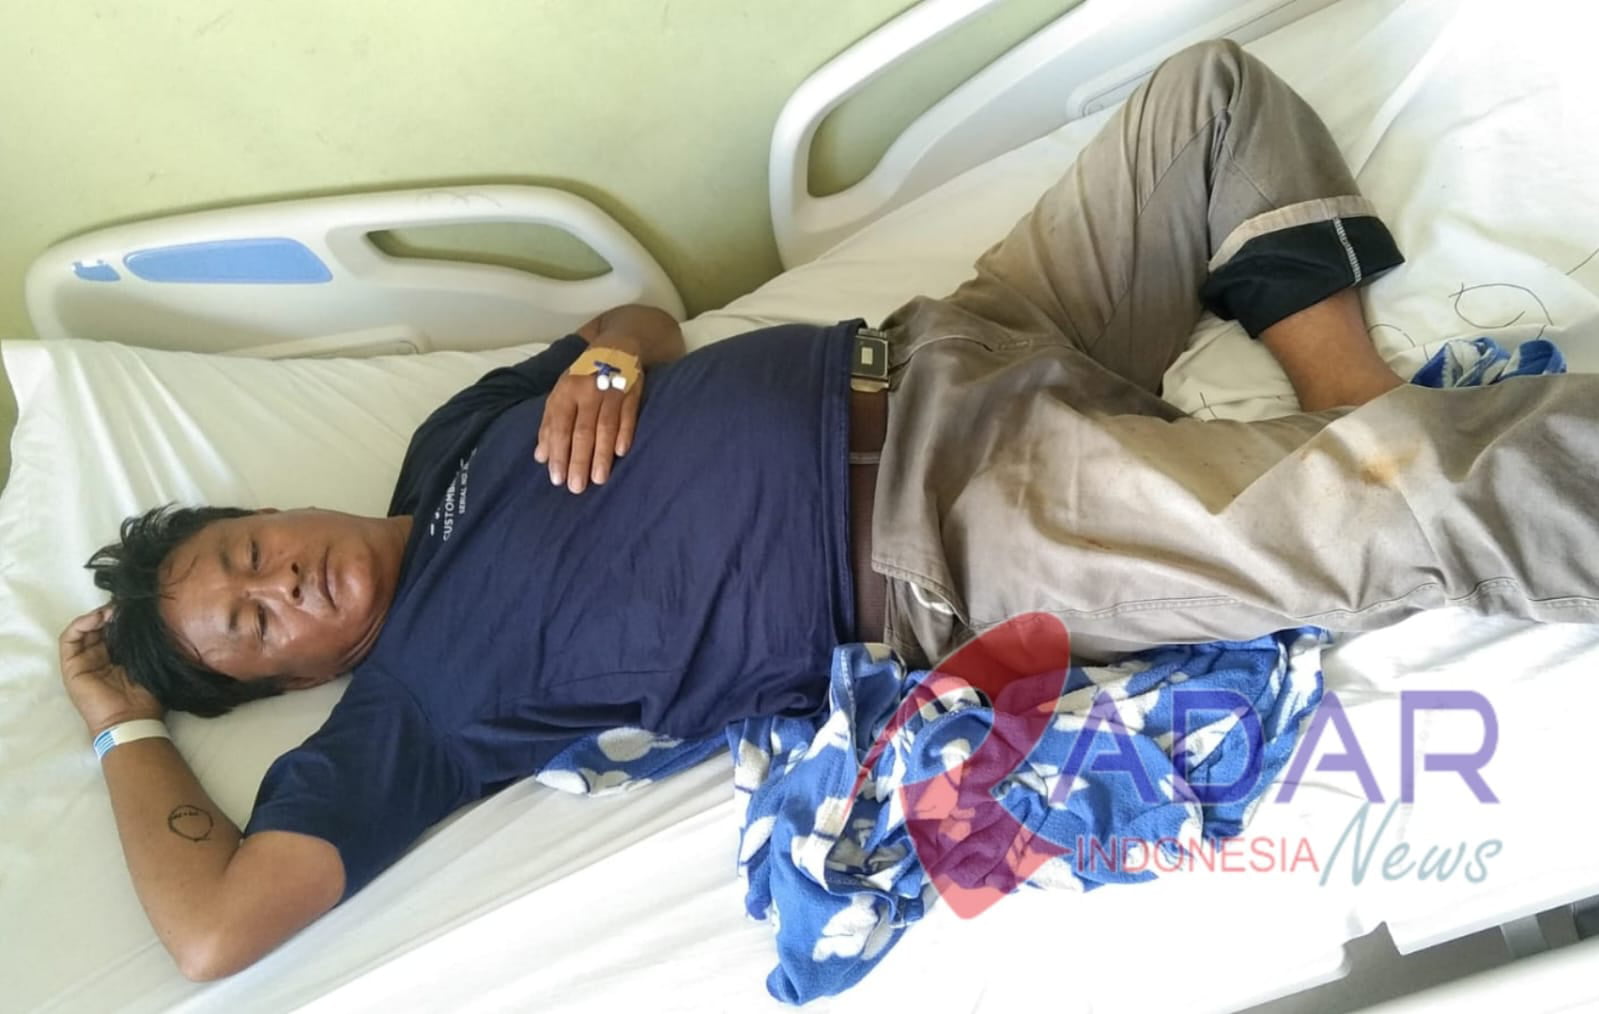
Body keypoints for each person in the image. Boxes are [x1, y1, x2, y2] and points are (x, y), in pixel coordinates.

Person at [57, 40, 1599, 980]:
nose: (283, 583)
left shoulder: (446, 442)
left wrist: (611, 353)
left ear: (271, 510)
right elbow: (215, 928)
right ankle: (1375, 449)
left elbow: (640, 321)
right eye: (255, 626)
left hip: (958, 338)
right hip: (963, 523)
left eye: (247, 553)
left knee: (1205, 100)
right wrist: (122, 717)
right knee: (1413, 502)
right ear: (294, 677)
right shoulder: (411, 711)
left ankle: (1350, 406)